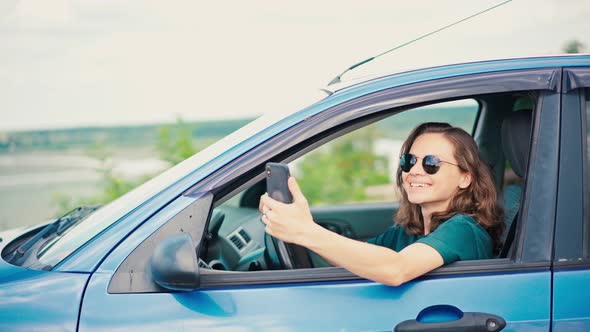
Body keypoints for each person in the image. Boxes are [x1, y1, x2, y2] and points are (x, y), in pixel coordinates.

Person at [259, 122, 504, 286]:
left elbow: (396, 269)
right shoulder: (407, 232)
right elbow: (354, 256)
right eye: (409, 161)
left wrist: (305, 231)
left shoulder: (464, 229)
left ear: (465, 177)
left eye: (431, 163)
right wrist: (300, 228)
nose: (414, 171)